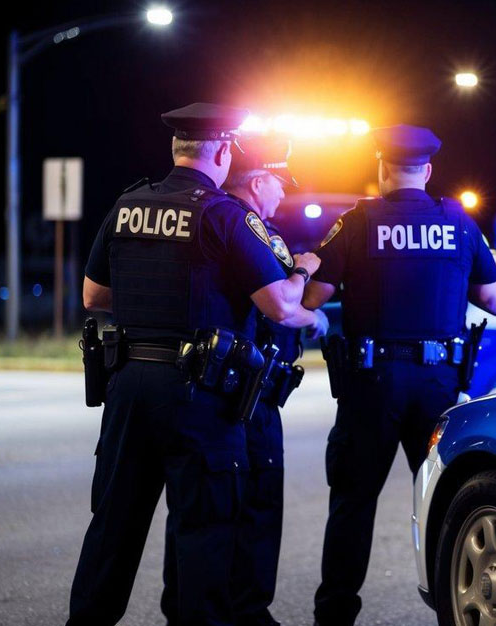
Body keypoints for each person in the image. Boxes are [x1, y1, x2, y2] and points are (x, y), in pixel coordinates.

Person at [71, 103, 324, 626]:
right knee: (203, 532)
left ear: (176, 147)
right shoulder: (223, 215)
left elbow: (94, 296)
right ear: (225, 152)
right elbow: (278, 305)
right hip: (199, 396)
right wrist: (301, 275)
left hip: (128, 386)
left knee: (113, 528)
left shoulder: (127, 205)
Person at [303, 124, 496, 625]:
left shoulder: (356, 221)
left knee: (352, 503)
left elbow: (312, 298)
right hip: (438, 384)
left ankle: (334, 617)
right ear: (429, 171)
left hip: (370, 383)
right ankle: (452, 610)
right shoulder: (458, 222)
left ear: (380, 166)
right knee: (443, 499)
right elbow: (494, 299)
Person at [162, 133, 327, 626]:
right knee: (250, 507)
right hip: (247, 393)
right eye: (280, 181)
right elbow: (283, 307)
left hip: (214, 385)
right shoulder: (248, 227)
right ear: (258, 181)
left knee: (200, 513)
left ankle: (198, 609)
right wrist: (306, 283)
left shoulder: (212, 219)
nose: (283, 192)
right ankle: (247, 612)